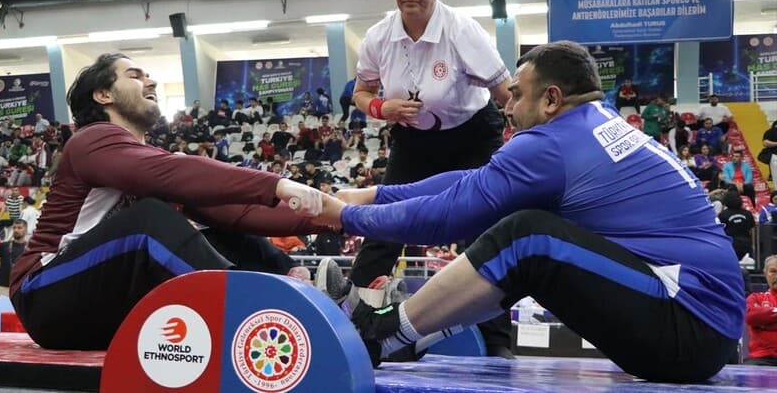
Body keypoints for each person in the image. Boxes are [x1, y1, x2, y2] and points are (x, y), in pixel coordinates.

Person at [300, 41, 743, 382]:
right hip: (699, 325)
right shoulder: (590, 128)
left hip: (687, 325)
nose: (507, 108)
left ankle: (384, 333)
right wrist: (373, 195)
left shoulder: (553, 144)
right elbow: (469, 183)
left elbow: (449, 215)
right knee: (526, 247)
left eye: (516, 96)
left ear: (550, 99)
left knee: (527, 237)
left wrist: (344, 217)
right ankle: (412, 336)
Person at [9, 53, 325, 350]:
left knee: (221, 226)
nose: (152, 82)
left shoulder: (148, 161)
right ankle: (247, 316)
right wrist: (278, 183)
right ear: (104, 94)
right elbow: (178, 172)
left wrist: (339, 215)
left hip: (106, 304)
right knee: (149, 220)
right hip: (43, 295)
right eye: (135, 76)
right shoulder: (89, 140)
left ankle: (298, 294)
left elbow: (237, 210)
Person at [340, 0, 513, 353]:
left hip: (473, 136)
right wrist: (383, 106)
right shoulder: (379, 36)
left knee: (485, 235)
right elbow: (359, 94)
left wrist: (526, 138)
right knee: (383, 225)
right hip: (413, 140)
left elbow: (506, 92)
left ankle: (497, 342)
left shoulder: (461, 30)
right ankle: (352, 326)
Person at [0, 219, 27, 311]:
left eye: (19, 228)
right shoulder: (4, 246)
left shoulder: (29, 248)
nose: (16, 230)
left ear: (25, 230)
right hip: (1, 287)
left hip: (19, 290)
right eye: (14, 228)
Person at [745, 255, 777, 365]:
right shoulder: (755, 298)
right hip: (760, 359)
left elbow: (759, 318)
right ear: (765, 273)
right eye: (773, 271)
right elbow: (751, 317)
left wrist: (765, 322)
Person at [718, 190, 755, 261]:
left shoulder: (723, 215)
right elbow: (752, 230)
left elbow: (720, 231)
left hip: (730, 244)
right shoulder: (747, 213)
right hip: (746, 243)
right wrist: (753, 245)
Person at [761, 120, 777, 190]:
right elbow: (765, 143)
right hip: (774, 155)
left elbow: (765, 143)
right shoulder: (771, 132)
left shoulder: (769, 131)